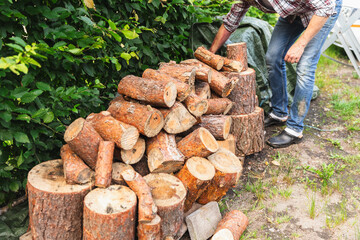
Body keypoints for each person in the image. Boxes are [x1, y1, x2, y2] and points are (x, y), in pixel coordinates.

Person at [209, 0, 342, 148]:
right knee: (272, 57)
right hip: (296, 11)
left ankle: (294, 129)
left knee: (305, 66)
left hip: (324, 9)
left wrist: (300, 44)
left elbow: (326, 6)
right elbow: (230, 23)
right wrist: (210, 54)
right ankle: (279, 113)